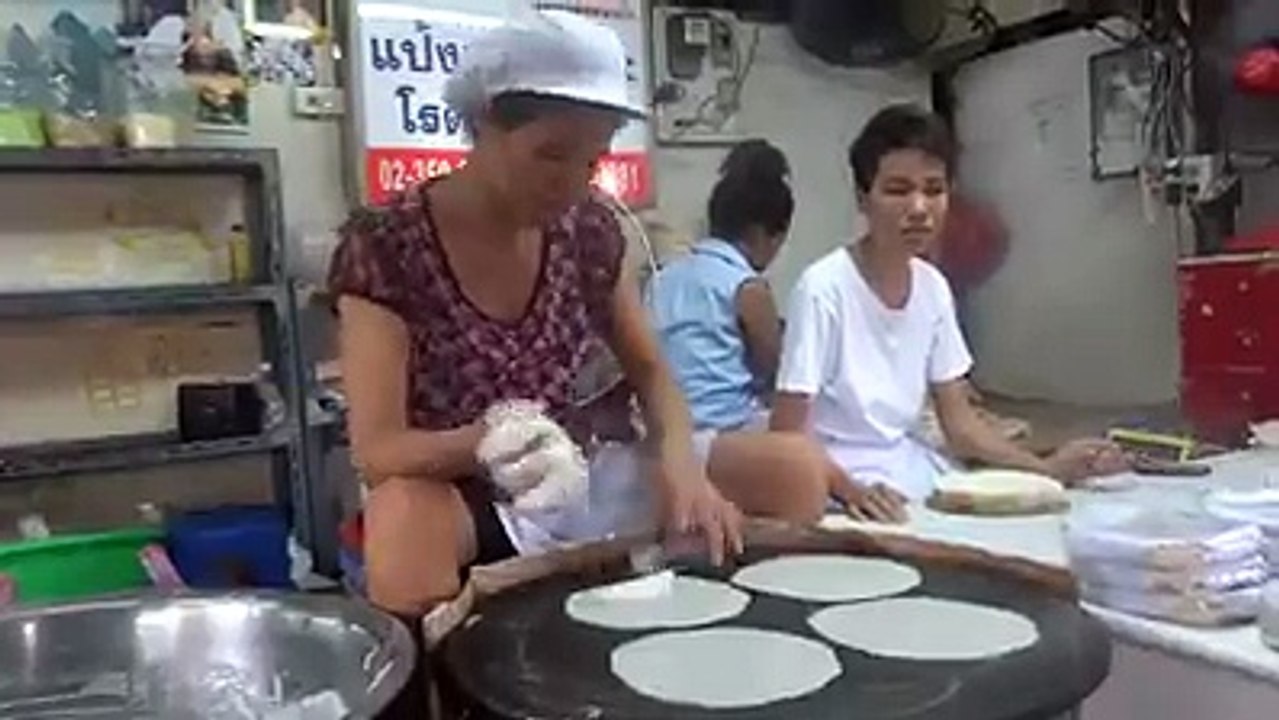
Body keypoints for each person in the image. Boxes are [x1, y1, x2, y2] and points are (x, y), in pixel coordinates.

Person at [330, 9, 837, 647]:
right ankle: (449, 687)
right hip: (474, 492)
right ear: (485, 121)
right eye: (550, 154)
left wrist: (683, 468)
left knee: (792, 468)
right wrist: (494, 442)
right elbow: (377, 450)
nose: (570, 183)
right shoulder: (386, 245)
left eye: (591, 161)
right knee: (399, 520)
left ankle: (753, 648)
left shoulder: (589, 229)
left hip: (583, 470)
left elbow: (651, 372)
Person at [771, 104, 1128, 501]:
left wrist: (1048, 470)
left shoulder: (932, 288)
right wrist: (849, 492)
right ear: (862, 199)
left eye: (934, 190)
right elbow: (787, 435)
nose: (919, 208)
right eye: (898, 190)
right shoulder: (823, 289)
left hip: (909, 467)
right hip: (839, 477)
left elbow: (961, 427)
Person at [649, 140, 906, 522]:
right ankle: (851, 490)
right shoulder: (747, 288)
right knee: (811, 435)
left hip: (667, 430)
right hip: (723, 431)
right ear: (765, 236)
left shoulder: (665, 276)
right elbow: (778, 374)